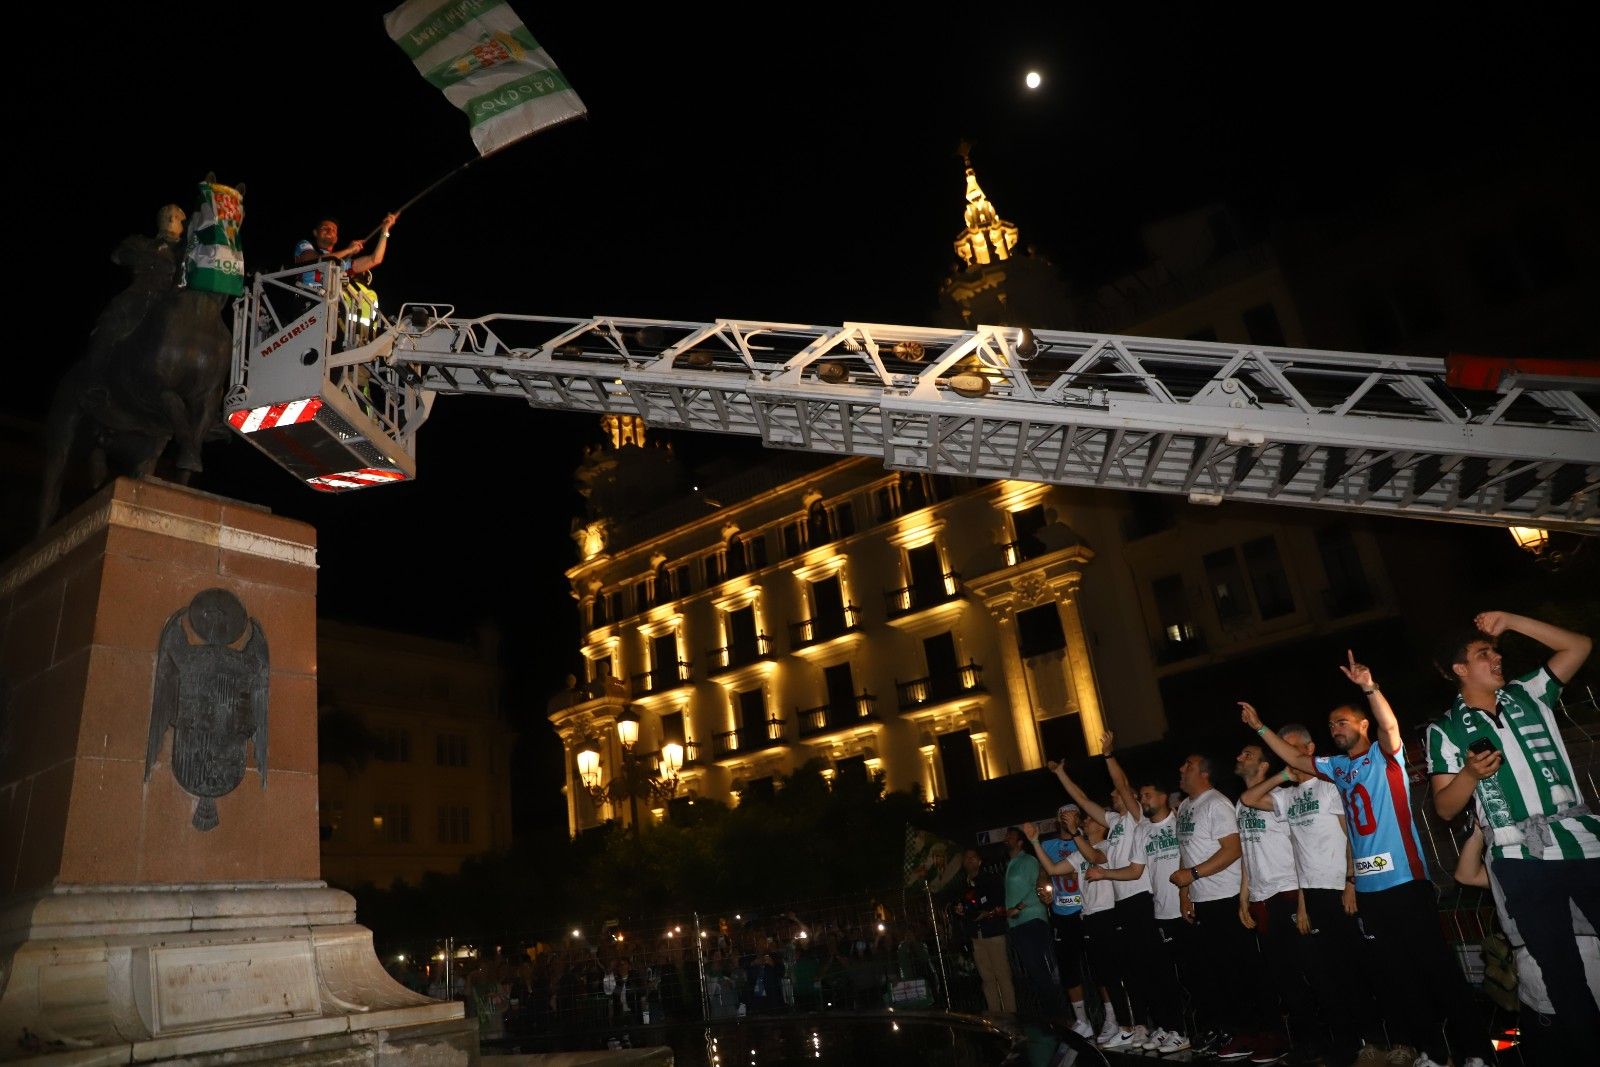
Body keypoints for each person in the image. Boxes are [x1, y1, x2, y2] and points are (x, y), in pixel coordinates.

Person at [1243, 651, 1488, 1067]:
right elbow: (1297, 759)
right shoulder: (1338, 768)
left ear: (1362, 725)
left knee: (1437, 970)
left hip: (1406, 883)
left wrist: (1370, 688)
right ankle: (1432, 1051)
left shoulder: (1384, 757)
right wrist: (1260, 726)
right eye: (1331, 724)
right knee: (1400, 978)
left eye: (1342, 721)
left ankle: (1476, 1052)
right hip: (1372, 894)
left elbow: (1391, 727)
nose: (1335, 728)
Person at [1425, 611, 1599, 1054]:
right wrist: (1467, 773)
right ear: (1461, 669)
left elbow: (1579, 645)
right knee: (1560, 972)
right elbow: (1445, 807)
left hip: (1582, 841)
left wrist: (1513, 622)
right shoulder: (1444, 730)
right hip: (1519, 858)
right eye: (1484, 653)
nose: (1496, 657)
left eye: (1496, 650)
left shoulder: (1530, 693)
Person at [1240, 723, 1385, 1066]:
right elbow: (1248, 800)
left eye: (1290, 748)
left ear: (1309, 749)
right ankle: (1347, 1044)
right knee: (1328, 973)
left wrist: (1351, 881)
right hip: (1312, 893)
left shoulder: (1329, 787)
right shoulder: (1287, 797)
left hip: (1339, 888)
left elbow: (1351, 835)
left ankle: (1376, 1040)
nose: (1284, 756)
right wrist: (1280, 776)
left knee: (1357, 967)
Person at [1454, 818, 1600, 1065]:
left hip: (1574, 948)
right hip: (1540, 958)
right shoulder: (1507, 858)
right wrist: (1481, 830)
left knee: (1568, 1037)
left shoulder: (1558, 839)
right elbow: (1466, 875)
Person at [1170, 750, 1271, 1060]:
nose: (1181, 768)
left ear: (1204, 773)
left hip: (1225, 899)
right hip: (1202, 901)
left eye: (1188, 764)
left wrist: (1194, 873)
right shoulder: (1186, 807)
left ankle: (1254, 1033)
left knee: (1238, 970)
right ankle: (1228, 1029)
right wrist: (1185, 891)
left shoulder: (1217, 804)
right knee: (1213, 973)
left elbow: (1233, 850)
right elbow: (1186, 852)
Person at [1084, 769, 1189, 1054]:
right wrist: (1105, 875)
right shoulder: (1142, 830)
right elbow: (1134, 869)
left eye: (1146, 795)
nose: (1142, 800)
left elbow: (1121, 783)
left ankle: (1182, 1029)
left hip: (1166, 903)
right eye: (1140, 796)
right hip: (1156, 909)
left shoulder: (1172, 820)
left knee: (1183, 972)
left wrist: (1108, 757)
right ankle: (1164, 1027)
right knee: (1149, 971)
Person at [1230, 741, 1301, 1065]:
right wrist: (1243, 898)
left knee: (1299, 973)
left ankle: (1313, 1040)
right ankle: (1288, 1040)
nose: (1238, 757)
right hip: (1260, 897)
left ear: (1263, 766)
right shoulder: (1240, 806)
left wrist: (1302, 898)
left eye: (1247, 755)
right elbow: (1247, 852)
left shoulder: (1278, 799)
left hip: (1285, 891)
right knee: (1277, 975)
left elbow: (1298, 845)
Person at [87, 203, 187, 366]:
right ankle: (93, 374)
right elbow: (118, 255)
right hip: (141, 296)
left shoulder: (185, 250)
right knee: (110, 321)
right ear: (171, 219)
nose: (181, 225)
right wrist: (143, 257)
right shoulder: (143, 243)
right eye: (179, 220)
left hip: (173, 301)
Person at [1033, 806, 1097, 1038]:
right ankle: (1082, 1020)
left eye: (1072, 816)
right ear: (1056, 820)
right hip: (1062, 914)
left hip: (1087, 910)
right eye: (1063, 816)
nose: (1067, 820)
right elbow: (1043, 874)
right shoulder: (1049, 846)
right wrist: (1043, 890)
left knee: (1099, 965)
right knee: (1069, 969)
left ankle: (1112, 1018)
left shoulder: (1086, 840)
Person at [1001, 825, 1069, 1025]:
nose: (1006, 839)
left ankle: (1058, 1016)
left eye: (1010, 836)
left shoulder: (1028, 861)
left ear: (1020, 842)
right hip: (1018, 924)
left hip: (1032, 920)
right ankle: (1051, 1015)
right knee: (1034, 971)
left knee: (1042, 970)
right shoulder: (1011, 863)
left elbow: (1038, 886)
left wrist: (1019, 907)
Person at [949, 846, 1018, 1019]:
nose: (970, 859)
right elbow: (961, 909)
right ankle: (994, 1019)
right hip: (976, 937)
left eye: (973, 857)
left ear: (979, 861)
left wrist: (987, 913)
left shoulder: (991, 880)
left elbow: (1001, 904)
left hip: (993, 933)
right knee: (987, 979)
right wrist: (958, 910)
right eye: (967, 857)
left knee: (1002, 976)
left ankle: (1011, 1017)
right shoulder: (962, 887)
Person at [295, 213, 398, 292]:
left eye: (334, 230)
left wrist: (385, 231)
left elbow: (375, 259)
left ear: (336, 238)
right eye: (324, 228)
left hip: (330, 308)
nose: (330, 231)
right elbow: (314, 260)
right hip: (307, 301)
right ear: (315, 233)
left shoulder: (342, 263)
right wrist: (349, 250)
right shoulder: (304, 244)